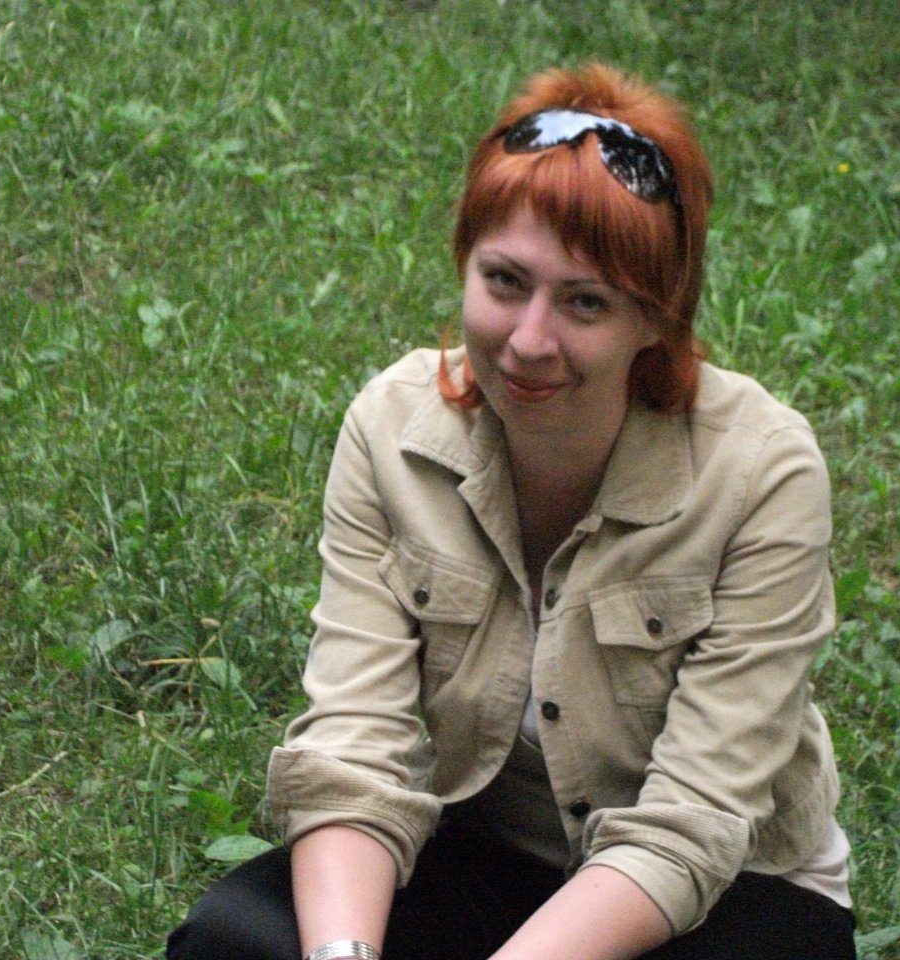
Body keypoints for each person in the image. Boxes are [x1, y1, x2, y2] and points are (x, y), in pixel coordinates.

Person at [168, 63, 856, 960]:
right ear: (463, 265)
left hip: (719, 892)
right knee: (234, 942)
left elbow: (691, 824)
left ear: (658, 319)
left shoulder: (761, 472)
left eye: (585, 302)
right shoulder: (391, 432)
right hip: (494, 853)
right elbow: (354, 751)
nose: (530, 341)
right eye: (503, 282)